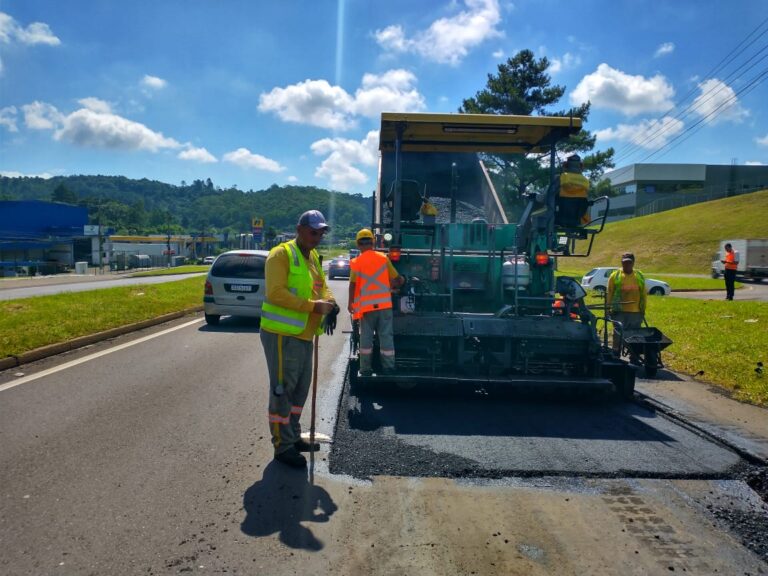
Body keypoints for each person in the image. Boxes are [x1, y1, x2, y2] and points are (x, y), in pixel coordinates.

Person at [260, 210, 338, 468]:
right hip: (283, 335)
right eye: (313, 232)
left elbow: (321, 286)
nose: (317, 237)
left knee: (299, 391)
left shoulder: (313, 256)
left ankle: (293, 437)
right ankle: (282, 446)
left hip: (304, 334)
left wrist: (331, 303)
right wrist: (312, 307)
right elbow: (275, 293)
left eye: (321, 233)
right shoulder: (281, 254)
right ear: (299, 229)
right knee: (283, 391)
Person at [348, 228, 405, 376]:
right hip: (384, 306)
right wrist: (401, 282)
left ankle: (365, 369)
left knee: (366, 337)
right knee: (386, 335)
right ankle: (388, 368)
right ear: (373, 243)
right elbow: (396, 279)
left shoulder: (356, 262)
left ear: (358, 244)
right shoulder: (383, 258)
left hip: (366, 308)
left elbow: (353, 284)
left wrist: (350, 303)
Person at [607, 252, 646, 353]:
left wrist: (643, 309)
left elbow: (643, 294)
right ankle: (615, 353)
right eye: (624, 262)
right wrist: (608, 308)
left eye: (629, 262)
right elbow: (610, 292)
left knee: (635, 335)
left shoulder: (639, 276)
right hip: (618, 311)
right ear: (621, 262)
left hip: (635, 311)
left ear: (633, 263)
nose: (626, 265)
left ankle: (634, 355)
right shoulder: (615, 276)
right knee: (618, 333)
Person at [555, 154, 591, 228]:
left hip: (560, 218)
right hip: (577, 219)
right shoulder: (585, 181)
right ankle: (565, 238)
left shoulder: (561, 177)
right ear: (581, 166)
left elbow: (548, 195)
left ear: (566, 165)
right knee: (566, 234)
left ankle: (547, 238)